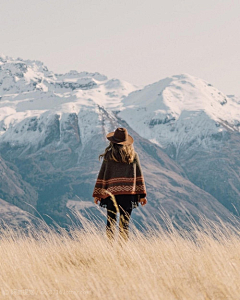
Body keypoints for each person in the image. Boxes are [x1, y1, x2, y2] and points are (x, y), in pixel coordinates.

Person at [92, 127, 147, 242]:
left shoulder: (109, 156)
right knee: (124, 224)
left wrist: (98, 193)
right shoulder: (133, 156)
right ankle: (123, 248)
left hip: (111, 195)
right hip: (128, 195)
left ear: (113, 142)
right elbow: (138, 175)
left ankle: (110, 246)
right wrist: (142, 195)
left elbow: (103, 175)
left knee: (110, 222)